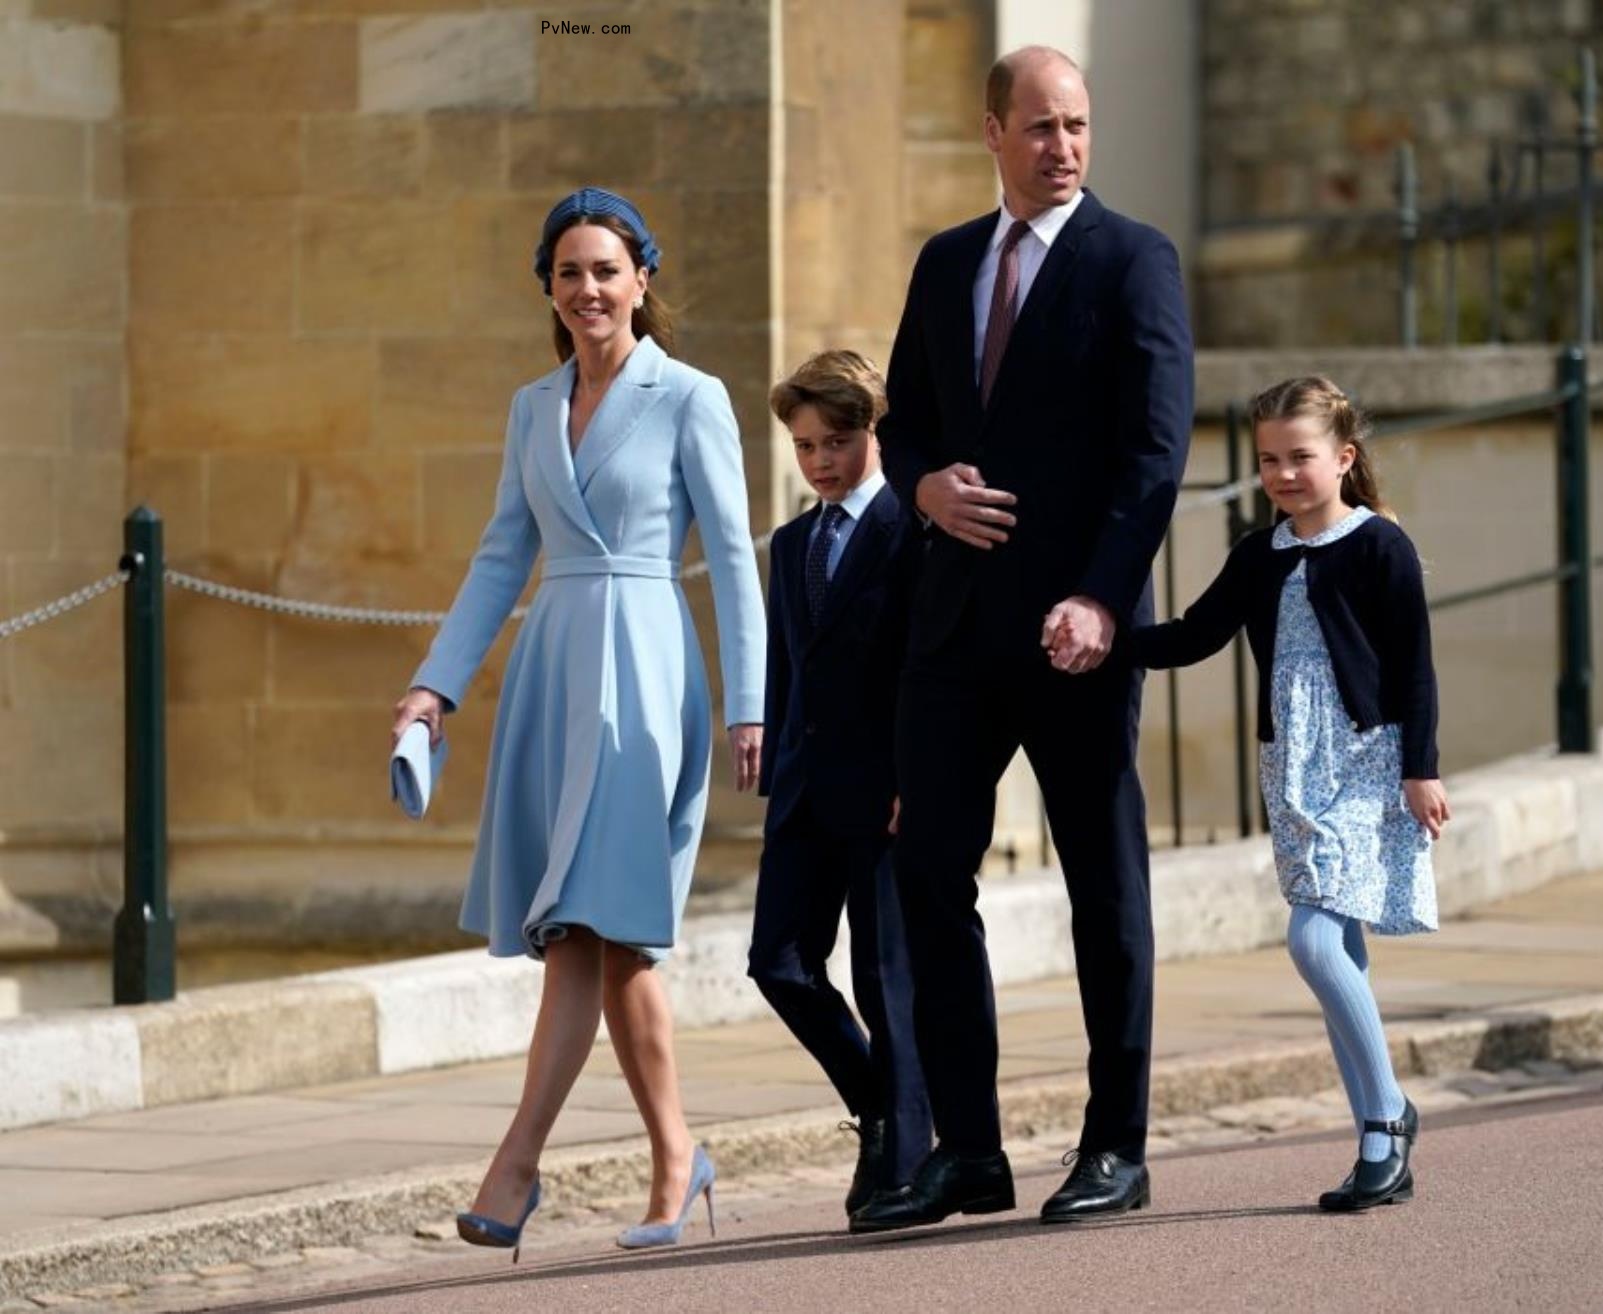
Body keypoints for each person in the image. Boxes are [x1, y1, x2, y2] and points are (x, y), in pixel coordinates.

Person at [850, 46, 1194, 1232]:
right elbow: (903, 427)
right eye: (1041, 126)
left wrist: (1102, 597)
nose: (1065, 147)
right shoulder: (947, 264)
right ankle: (972, 1153)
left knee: (1105, 885)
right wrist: (926, 487)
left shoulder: (1133, 259)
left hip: (1077, 636)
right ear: (991, 131)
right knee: (927, 875)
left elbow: (1154, 459)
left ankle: (1118, 1145)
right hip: (952, 632)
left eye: (1080, 126)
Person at [390, 187, 766, 1256]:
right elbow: (501, 555)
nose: (589, 289)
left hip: (647, 676)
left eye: (607, 269)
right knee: (602, 941)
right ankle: (676, 1156)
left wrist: (752, 704)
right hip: (558, 673)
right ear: (549, 291)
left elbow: (736, 559)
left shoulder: (691, 396)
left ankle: (516, 1167)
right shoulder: (530, 407)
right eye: (569, 272)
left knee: (590, 932)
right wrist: (435, 687)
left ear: (643, 278)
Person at [1127, 376, 1448, 1211]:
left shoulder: (1381, 546)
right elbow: (1195, 634)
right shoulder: (1257, 554)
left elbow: (1414, 663)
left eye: (1300, 457)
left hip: (1365, 762)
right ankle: (1379, 1144)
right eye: (1269, 460)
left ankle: (1387, 1116)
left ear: (1343, 458)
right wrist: (1106, 641)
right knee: (1340, 954)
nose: (1282, 474)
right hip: (1290, 767)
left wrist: (1422, 768)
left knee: (1311, 943)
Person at [748, 350, 933, 1221]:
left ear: (875, 435)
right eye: (805, 445)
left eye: (838, 440)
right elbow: (789, 669)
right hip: (803, 790)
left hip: (885, 791)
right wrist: (778, 777)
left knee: (881, 976)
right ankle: (882, 1107)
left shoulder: (909, 529)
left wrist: (914, 776)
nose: (821, 460)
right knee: (778, 963)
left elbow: (921, 671)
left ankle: (899, 1162)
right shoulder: (790, 545)